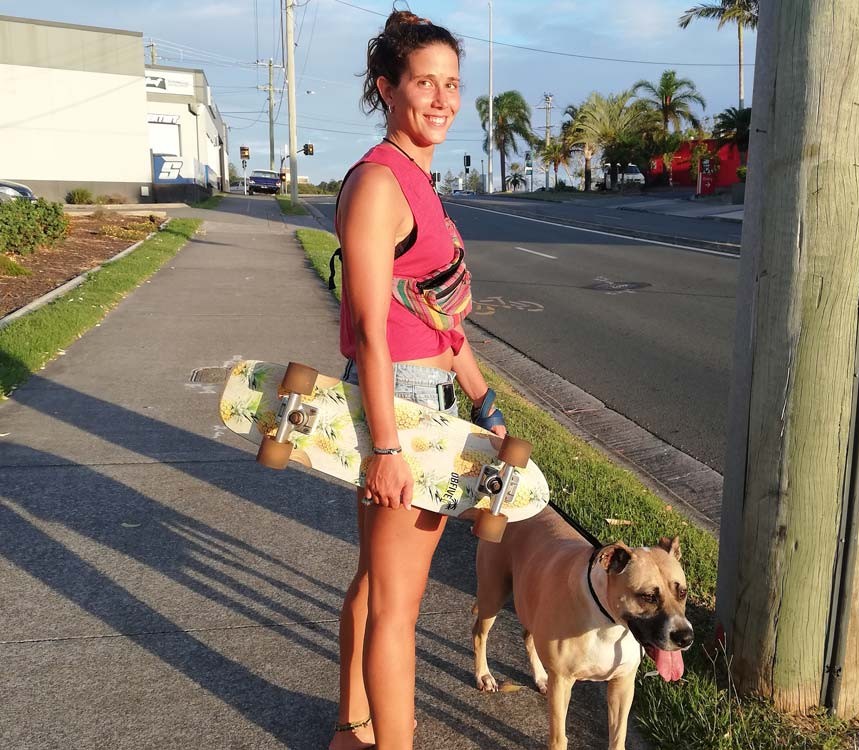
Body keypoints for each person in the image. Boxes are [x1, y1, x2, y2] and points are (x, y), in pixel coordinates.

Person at [329, 10, 506, 750]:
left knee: (376, 585)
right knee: (398, 607)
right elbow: (372, 327)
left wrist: (486, 406)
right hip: (402, 407)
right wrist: (388, 446)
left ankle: (354, 728)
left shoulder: (421, 184)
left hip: (430, 399)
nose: (440, 97)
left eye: (452, 84)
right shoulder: (379, 182)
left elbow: (440, 322)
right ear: (387, 88)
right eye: (424, 82)